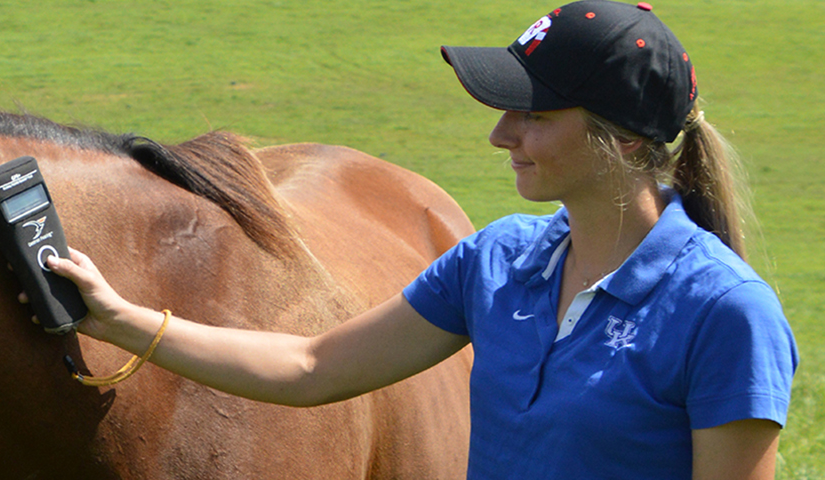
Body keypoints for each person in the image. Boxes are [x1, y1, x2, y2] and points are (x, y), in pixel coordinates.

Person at [39, 1, 797, 478]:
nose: (502, 134)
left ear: (627, 142)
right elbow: (310, 366)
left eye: (534, 114)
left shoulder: (725, 314)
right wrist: (121, 319)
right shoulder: (500, 261)